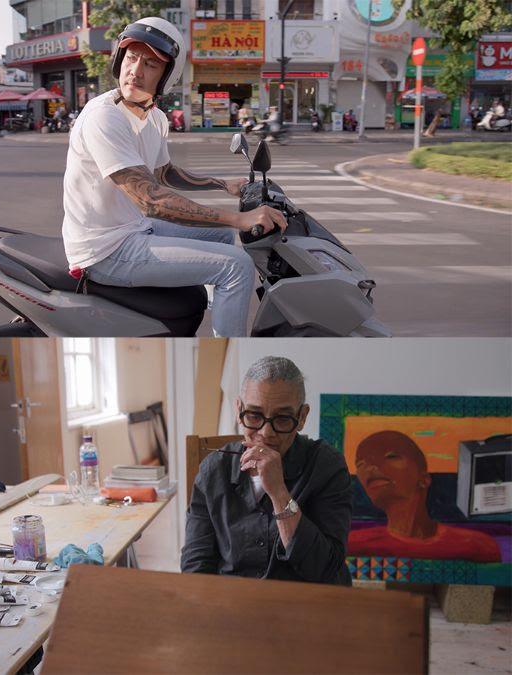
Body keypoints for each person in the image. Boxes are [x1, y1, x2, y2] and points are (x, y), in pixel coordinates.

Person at [61, 17, 286, 337]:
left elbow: (165, 172)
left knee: (222, 237)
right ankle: (231, 359)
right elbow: (150, 200)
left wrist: (223, 184)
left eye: (151, 64)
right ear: (118, 59)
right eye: (131, 57)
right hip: (105, 250)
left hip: (131, 229)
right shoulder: (103, 117)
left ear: (168, 75)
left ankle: (215, 305)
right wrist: (240, 219)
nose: (136, 70)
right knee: (236, 265)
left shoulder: (153, 117)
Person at [182, 357, 353, 585]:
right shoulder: (214, 469)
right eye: (254, 416)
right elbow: (196, 566)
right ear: (239, 410)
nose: (266, 432)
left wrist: (279, 493)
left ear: (302, 417)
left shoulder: (327, 466)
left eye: (282, 419)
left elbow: (326, 569)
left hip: (304, 604)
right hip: (234, 602)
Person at [349, 431, 501, 563]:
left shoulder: (476, 546)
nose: (370, 467)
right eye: (361, 464)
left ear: (424, 479)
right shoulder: (353, 545)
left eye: (391, 456)